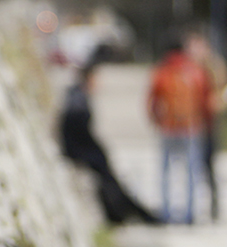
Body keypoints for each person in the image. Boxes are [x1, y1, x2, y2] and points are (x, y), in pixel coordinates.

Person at [60, 65, 160, 225]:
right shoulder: (78, 99)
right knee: (108, 178)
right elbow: (78, 132)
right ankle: (125, 214)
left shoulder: (76, 95)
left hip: (82, 150)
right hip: (79, 152)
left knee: (111, 177)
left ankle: (132, 213)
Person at [148, 34, 214, 225]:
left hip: (168, 126)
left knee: (166, 171)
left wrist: (156, 121)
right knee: (192, 171)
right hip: (191, 127)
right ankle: (190, 212)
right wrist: (206, 124)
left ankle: (167, 211)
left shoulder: (162, 71)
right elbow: (204, 101)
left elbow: (152, 100)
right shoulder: (195, 71)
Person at [184, 26, 227, 222]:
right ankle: (190, 205)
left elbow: (222, 91)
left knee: (209, 167)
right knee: (191, 167)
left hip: (208, 125)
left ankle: (214, 204)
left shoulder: (214, 66)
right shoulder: (186, 67)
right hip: (190, 126)